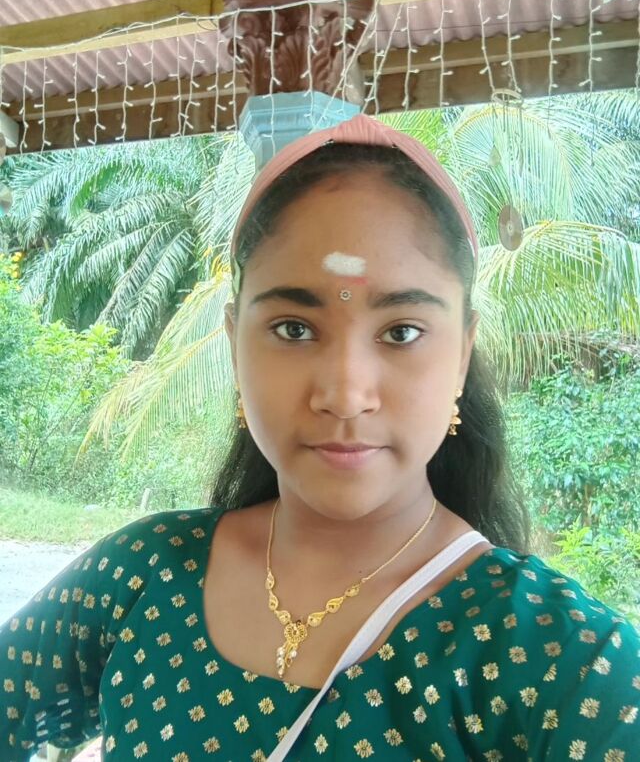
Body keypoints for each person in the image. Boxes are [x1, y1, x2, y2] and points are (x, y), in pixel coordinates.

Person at [1, 114, 638, 761]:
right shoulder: (143, 575)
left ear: (462, 353)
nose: (344, 393)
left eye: (402, 332)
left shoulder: (561, 660)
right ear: (235, 342)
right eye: (294, 329)